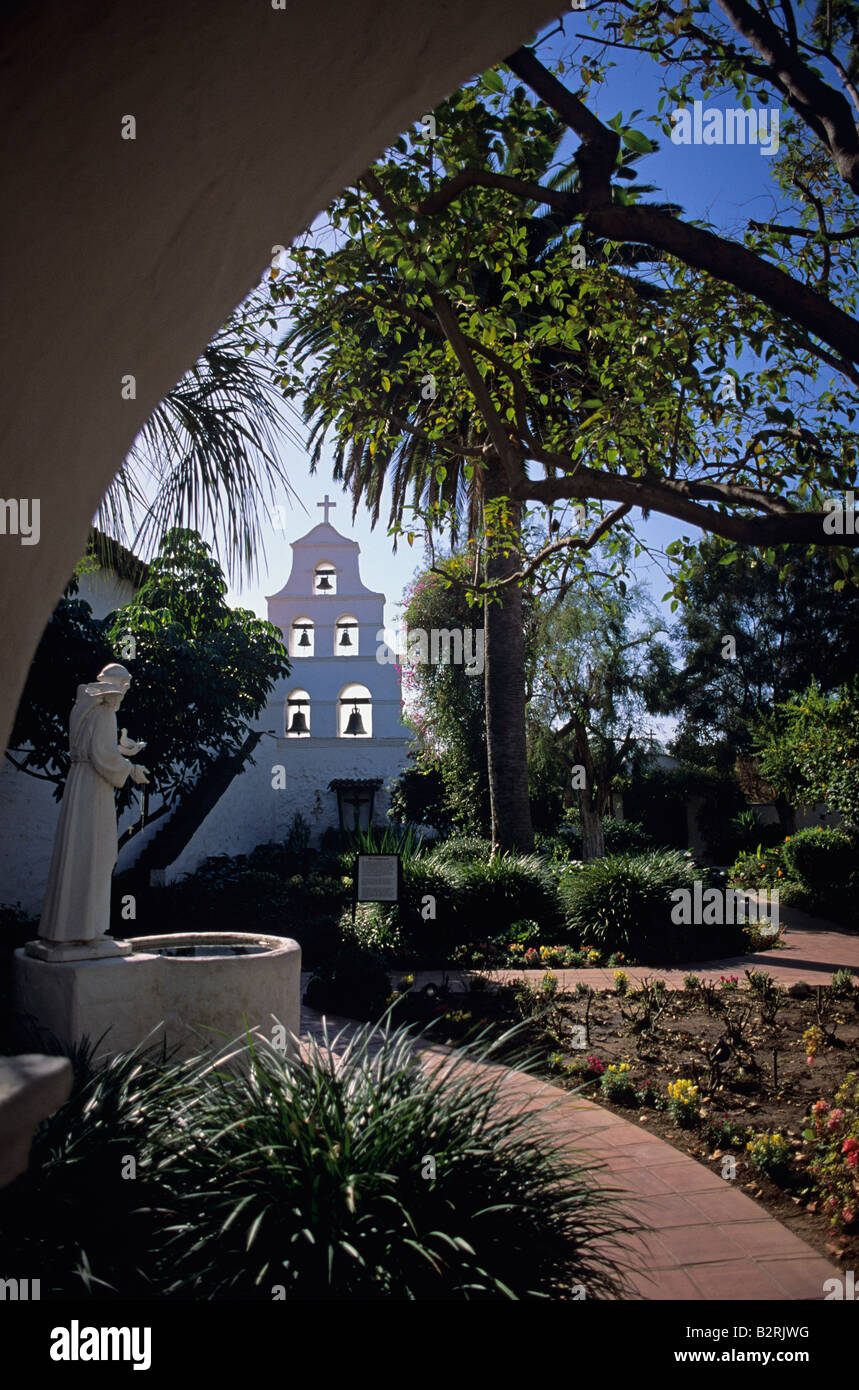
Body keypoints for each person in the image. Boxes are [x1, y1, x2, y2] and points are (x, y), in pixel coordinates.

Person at [38, 663, 149, 945]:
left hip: (80, 782)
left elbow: (93, 748)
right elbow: (102, 757)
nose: (124, 693)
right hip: (94, 788)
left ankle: (67, 927)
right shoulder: (105, 713)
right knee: (94, 853)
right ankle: (87, 929)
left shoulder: (84, 708)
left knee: (78, 851)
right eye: (123, 687)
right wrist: (132, 770)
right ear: (115, 687)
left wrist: (122, 748)